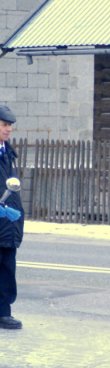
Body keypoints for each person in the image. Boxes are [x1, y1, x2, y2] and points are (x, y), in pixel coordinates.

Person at [0, 105, 25, 331]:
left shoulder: (7, 153)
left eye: (10, 126)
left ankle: (4, 311)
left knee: (7, 267)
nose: (8, 130)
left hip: (7, 223)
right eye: (4, 125)